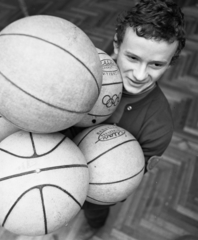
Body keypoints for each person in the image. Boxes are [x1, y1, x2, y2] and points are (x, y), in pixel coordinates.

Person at [72, 0, 186, 237]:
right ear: (116, 44)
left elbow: (125, 180)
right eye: (132, 58)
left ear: (171, 62)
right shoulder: (85, 73)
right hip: (52, 166)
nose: (140, 74)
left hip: (95, 193)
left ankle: (92, 229)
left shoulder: (159, 127)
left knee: (94, 215)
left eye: (156, 64)